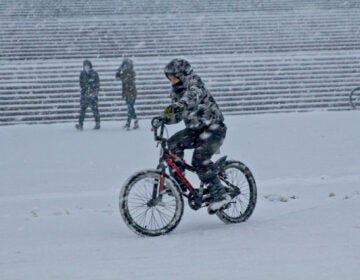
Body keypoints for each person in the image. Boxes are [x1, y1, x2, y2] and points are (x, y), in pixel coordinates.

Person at [153, 58, 231, 213]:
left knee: (200, 160)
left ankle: (221, 195)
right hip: (196, 130)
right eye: (169, 78)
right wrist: (164, 118)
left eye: (174, 77)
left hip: (213, 128)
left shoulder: (194, 82)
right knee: (173, 144)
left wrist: (181, 104)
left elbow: (193, 95)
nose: (172, 81)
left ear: (181, 74)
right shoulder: (176, 91)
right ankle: (178, 183)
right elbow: (177, 115)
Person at [75, 59, 100, 130]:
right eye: (84, 65)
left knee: (95, 110)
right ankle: (80, 124)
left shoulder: (94, 73)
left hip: (93, 95)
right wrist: (84, 90)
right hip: (84, 95)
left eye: (87, 65)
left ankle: (97, 124)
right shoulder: (82, 73)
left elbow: (97, 84)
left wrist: (95, 92)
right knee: (82, 110)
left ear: (90, 66)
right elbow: (81, 83)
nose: (86, 67)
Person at [116, 57, 139, 130]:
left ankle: (129, 123)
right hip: (126, 93)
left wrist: (122, 74)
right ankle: (135, 121)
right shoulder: (124, 72)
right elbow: (117, 76)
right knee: (131, 108)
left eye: (126, 65)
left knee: (130, 108)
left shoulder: (131, 72)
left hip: (131, 93)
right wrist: (119, 69)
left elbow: (127, 80)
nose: (125, 66)